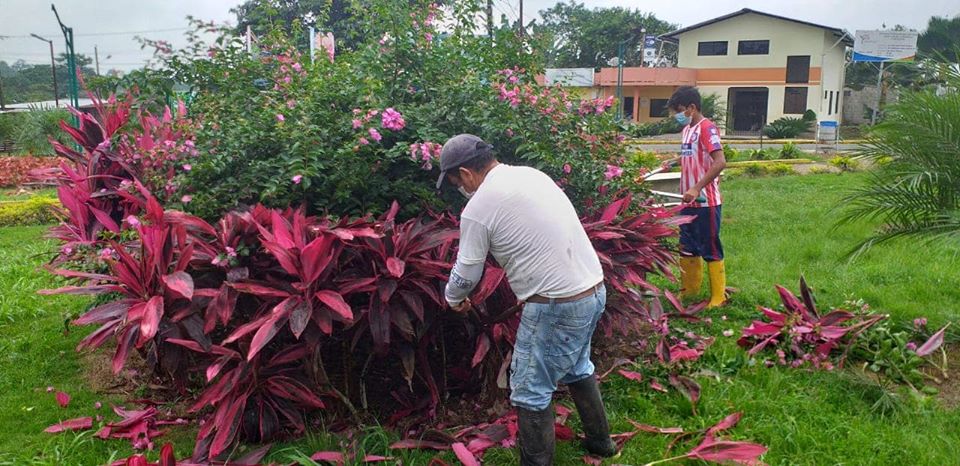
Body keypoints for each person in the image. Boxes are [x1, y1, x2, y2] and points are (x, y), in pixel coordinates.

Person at [436, 134, 617, 465]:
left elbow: (467, 271)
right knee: (577, 366)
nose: (459, 189)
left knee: (530, 390)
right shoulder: (531, 175)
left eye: (454, 182)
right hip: (592, 290)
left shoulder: (478, 207)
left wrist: (453, 298)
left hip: (556, 305)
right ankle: (601, 443)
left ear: (465, 173)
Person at [661, 86, 728, 307]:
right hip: (687, 201)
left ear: (692, 107)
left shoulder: (707, 129)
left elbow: (720, 162)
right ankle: (690, 291)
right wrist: (673, 162)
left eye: (679, 110)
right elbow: (691, 155)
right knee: (687, 246)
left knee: (710, 246)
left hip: (705, 201)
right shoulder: (687, 130)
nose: (677, 115)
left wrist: (697, 188)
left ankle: (718, 296)